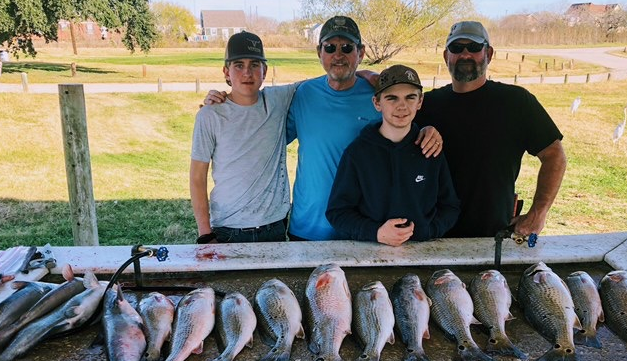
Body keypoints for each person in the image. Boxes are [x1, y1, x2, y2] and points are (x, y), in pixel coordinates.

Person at [203, 16, 444, 242]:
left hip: (362, 228)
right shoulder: (303, 94)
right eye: (330, 47)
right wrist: (225, 103)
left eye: (347, 48)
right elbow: (259, 127)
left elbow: (405, 116)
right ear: (319, 52)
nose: (338, 55)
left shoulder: (377, 97)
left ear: (360, 53)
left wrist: (428, 128)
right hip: (307, 227)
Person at [414, 21, 567, 239]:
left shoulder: (516, 102)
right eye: (457, 48)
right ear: (446, 56)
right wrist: (368, 76)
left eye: (474, 47)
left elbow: (554, 155)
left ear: (489, 53)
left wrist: (538, 212)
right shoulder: (425, 104)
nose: (465, 54)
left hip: (492, 236)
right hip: (431, 235)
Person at [326, 65, 460, 246]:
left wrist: (427, 230)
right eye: (392, 98)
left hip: (422, 252)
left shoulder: (430, 149)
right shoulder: (357, 153)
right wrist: (375, 233)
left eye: (410, 97)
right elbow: (338, 212)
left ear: (420, 102)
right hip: (369, 252)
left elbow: (450, 207)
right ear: (377, 103)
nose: (402, 106)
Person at [190, 31, 297, 243]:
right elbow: (197, 178)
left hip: (274, 226)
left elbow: (324, 80)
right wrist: (205, 234)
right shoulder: (210, 115)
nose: (247, 72)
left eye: (254, 65)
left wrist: (363, 73)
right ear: (226, 72)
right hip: (228, 229)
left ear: (264, 71)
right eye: (238, 65)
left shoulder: (278, 100)